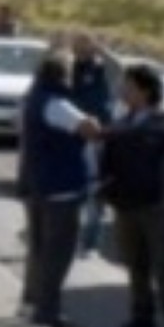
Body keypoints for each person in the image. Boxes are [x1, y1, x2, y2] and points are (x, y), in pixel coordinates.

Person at [101, 63, 164, 327]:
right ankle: (141, 314)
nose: (123, 91)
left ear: (145, 90)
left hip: (158, 206)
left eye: (129, 86)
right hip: (126, 203)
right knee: (135, 264)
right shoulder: (122, 122)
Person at [16, 52, 102, 327]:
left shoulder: (33, 100)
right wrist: (92, 118)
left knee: (39, 252)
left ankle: (31, 303)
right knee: (57, 255)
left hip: (38, 186)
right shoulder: (57, 104)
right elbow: (89, 130)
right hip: (60, 189)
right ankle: (47, 312)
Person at [69, 34, 116, 257]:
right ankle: (74, 239)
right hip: (77, 134)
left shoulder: (100, 69)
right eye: (80, 46)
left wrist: (101, 50)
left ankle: (91, 242)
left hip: (100, 135)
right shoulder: (70, 69)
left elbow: (117, 68)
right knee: (78, 189)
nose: (84, 50)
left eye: (86, 45)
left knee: (97, 191)